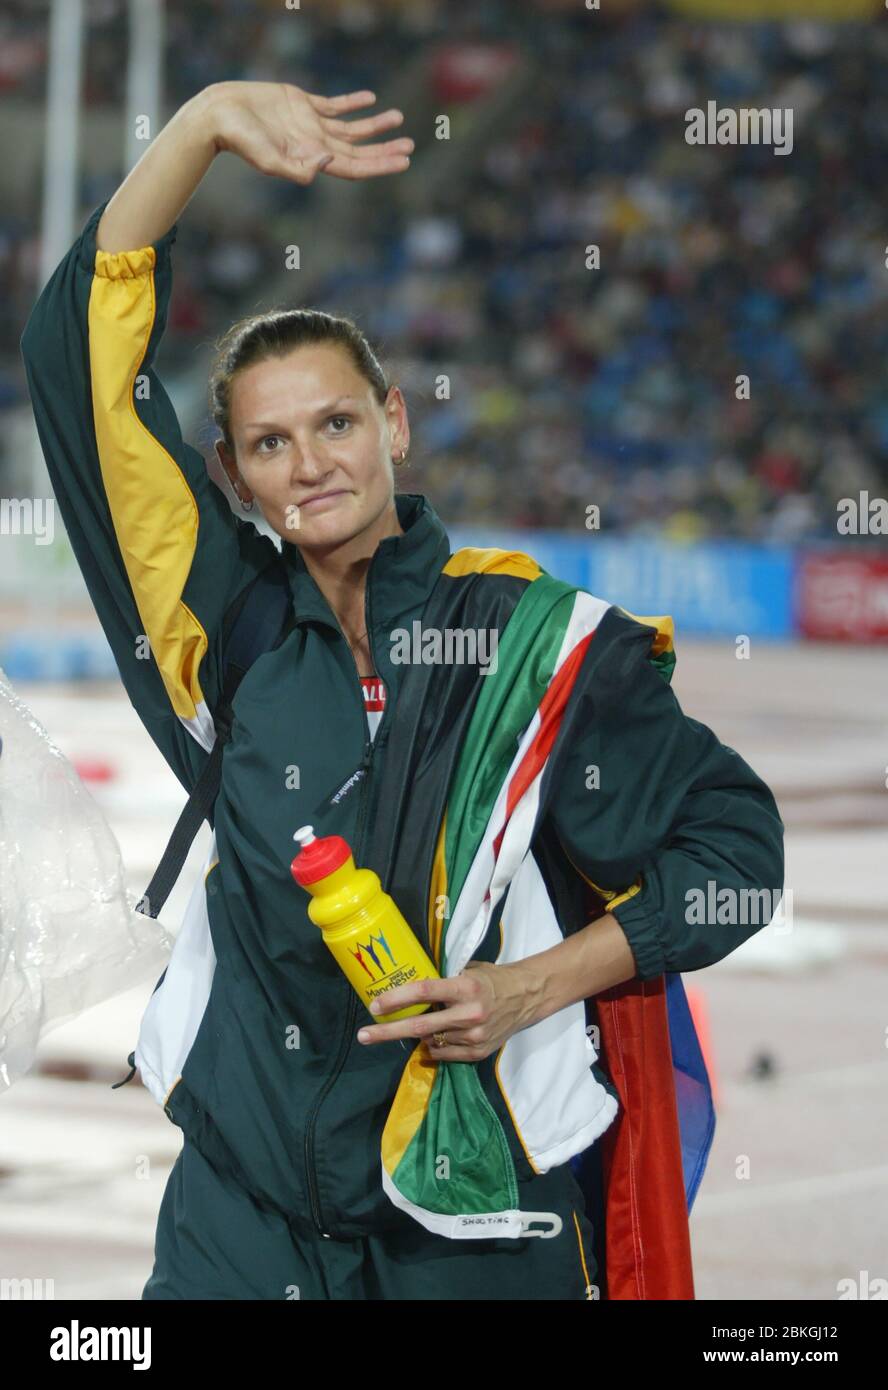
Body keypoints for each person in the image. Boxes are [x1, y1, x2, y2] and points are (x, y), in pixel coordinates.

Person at [20, 80, 784, 1300]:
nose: (309, 463)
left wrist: (528, 987)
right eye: (269, 444)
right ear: (232, 471)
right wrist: (204, 122)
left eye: (334, 424)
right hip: (240, 1220)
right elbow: (82, 368)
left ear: (393, 425)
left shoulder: (538, 639)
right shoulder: (231, 626)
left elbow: (737, 857)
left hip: (474, 1232)